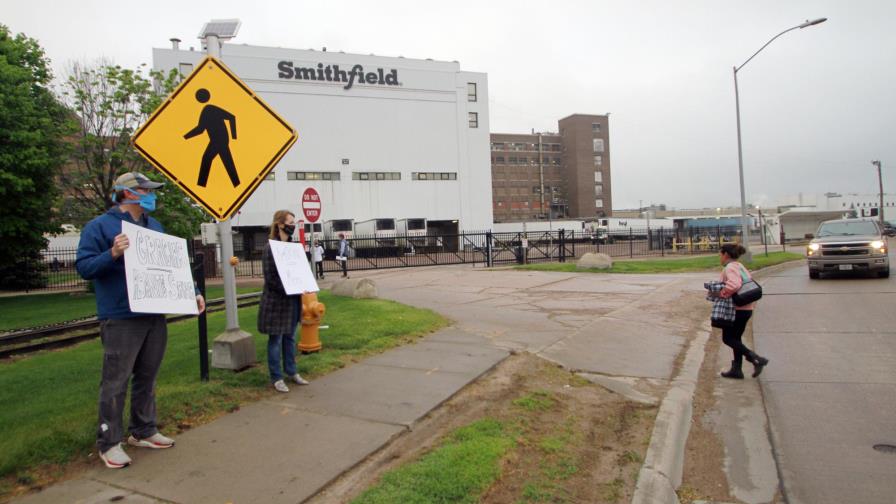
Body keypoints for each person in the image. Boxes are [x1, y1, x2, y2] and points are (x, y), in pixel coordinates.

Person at [76, 172, 206, 469]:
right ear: (126, 193)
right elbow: (84, 267)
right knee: (115, 381)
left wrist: (194, 291)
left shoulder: (154, 226)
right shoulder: (99, 226)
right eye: (145, 190)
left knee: (148, 376)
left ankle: (143, 429)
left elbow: (171, 266)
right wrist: (113, 252)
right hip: (121, 315)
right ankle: (109, 442)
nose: (152, 195)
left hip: (154, 313)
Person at [258, 210, 310, 393]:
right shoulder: (270, 248)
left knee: (290, 338)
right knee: (276, 340)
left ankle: (291, 371)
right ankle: (276, 377)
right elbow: (270, 278)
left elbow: (300, 272)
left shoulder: (293, 247)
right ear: (280, 224)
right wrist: (290, 287)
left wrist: (303, 284)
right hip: (276, 301)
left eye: (293, 222)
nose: (292, 225)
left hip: (292, 301)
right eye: (290, 222)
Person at [710, 243, 769, 379]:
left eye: (720, 254)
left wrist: (722, 293)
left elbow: (734, 284)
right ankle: (737, 369)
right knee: (736, 338)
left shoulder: (730, 268)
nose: (720, 257)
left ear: (725, 254)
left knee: (728, 338)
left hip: (737, 309)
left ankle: (755, 358)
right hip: (746, 308)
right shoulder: (739, 266)